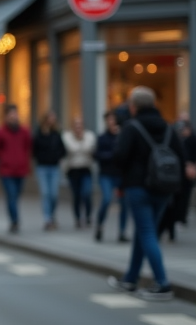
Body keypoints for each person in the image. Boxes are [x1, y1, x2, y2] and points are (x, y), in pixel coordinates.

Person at [107, 87, 186, 301]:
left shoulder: (132, 127)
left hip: (138, 187)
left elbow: (119, 157)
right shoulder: (169, 128)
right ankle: (130, 279)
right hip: (163, 188)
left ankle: (162, 283)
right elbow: (181, 156)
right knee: (145, 232)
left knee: (147, 232)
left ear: (133, 106)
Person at [0, 105, 32, 234]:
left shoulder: (24, 131)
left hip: (20, 170)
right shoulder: (0, 132)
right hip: (6, 170)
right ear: (6, 117)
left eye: (15, 114)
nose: (13, 117)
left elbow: (28, 146)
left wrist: (24, 160)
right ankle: (15, 220)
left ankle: (14, 217)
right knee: (11, 195)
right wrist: (4, 157)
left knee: (16, 195)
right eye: (11, 115)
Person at [94, 110, 128, 243]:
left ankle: (122, 231)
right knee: (107, 199)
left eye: (114, 120)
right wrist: (111, 155)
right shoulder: (102, 138)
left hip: (121, 176)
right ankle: (100, 225)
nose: (112, 123)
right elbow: (97, 155)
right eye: (109, 120)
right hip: (106, 175)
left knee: (124, 204)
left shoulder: (123, 137)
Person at [33, 111, 66, 230]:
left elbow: (63, 149)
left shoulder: (57, 134)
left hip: (54, 167)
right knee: (45, 193)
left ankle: (52, 215)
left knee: (54, 194)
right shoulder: (39, 134)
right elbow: (34, 150)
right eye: (50, 118)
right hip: (42, 167)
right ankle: (47, 218)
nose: (52, 120)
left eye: (54, 118)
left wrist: (58, 157)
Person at [62, 115, 96, 230]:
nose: (78, 128)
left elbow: (89, 149)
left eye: (80, 125)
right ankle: (77, 218)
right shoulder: (67, 136)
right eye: (76, 125)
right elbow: (72, 148)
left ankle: (88, 216)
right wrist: (81, 145)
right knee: (76, 196)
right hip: (73, 170)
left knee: (86, 193)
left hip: (86, 169)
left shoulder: (90, 135)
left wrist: (80, 145)